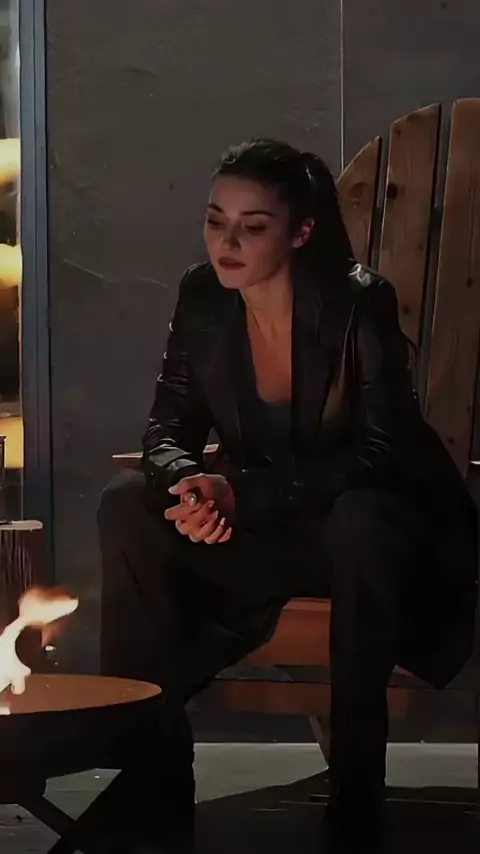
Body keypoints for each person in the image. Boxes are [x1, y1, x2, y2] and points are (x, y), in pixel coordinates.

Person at [98, 139, 478, 850]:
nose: (227, 243)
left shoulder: (359, 302)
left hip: (377, 540)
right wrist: (188, 487)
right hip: (273, 531)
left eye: (253, 226)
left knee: (360, 520)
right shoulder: (203, 296)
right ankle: (151, 776)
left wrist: (242, 496)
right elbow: (167, 428)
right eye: (215, 221)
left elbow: (381, 453)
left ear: (301, 232)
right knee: (125, 504)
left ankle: (356, 798)